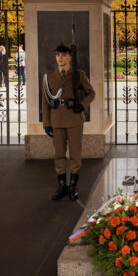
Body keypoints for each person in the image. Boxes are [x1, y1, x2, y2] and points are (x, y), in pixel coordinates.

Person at [42, 43, 95, 201]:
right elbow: (45, 101)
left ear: (70, 57)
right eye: (58, 55)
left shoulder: (78, 74)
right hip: (56, 119)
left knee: (75, 154)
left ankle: (73, 185)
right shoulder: (49, 76)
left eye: (64, 55)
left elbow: (91, 93)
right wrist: (46, 123)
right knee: (59, 154)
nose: (60, 58)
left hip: (74, 119)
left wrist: (83, 105)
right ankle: (62, 185)